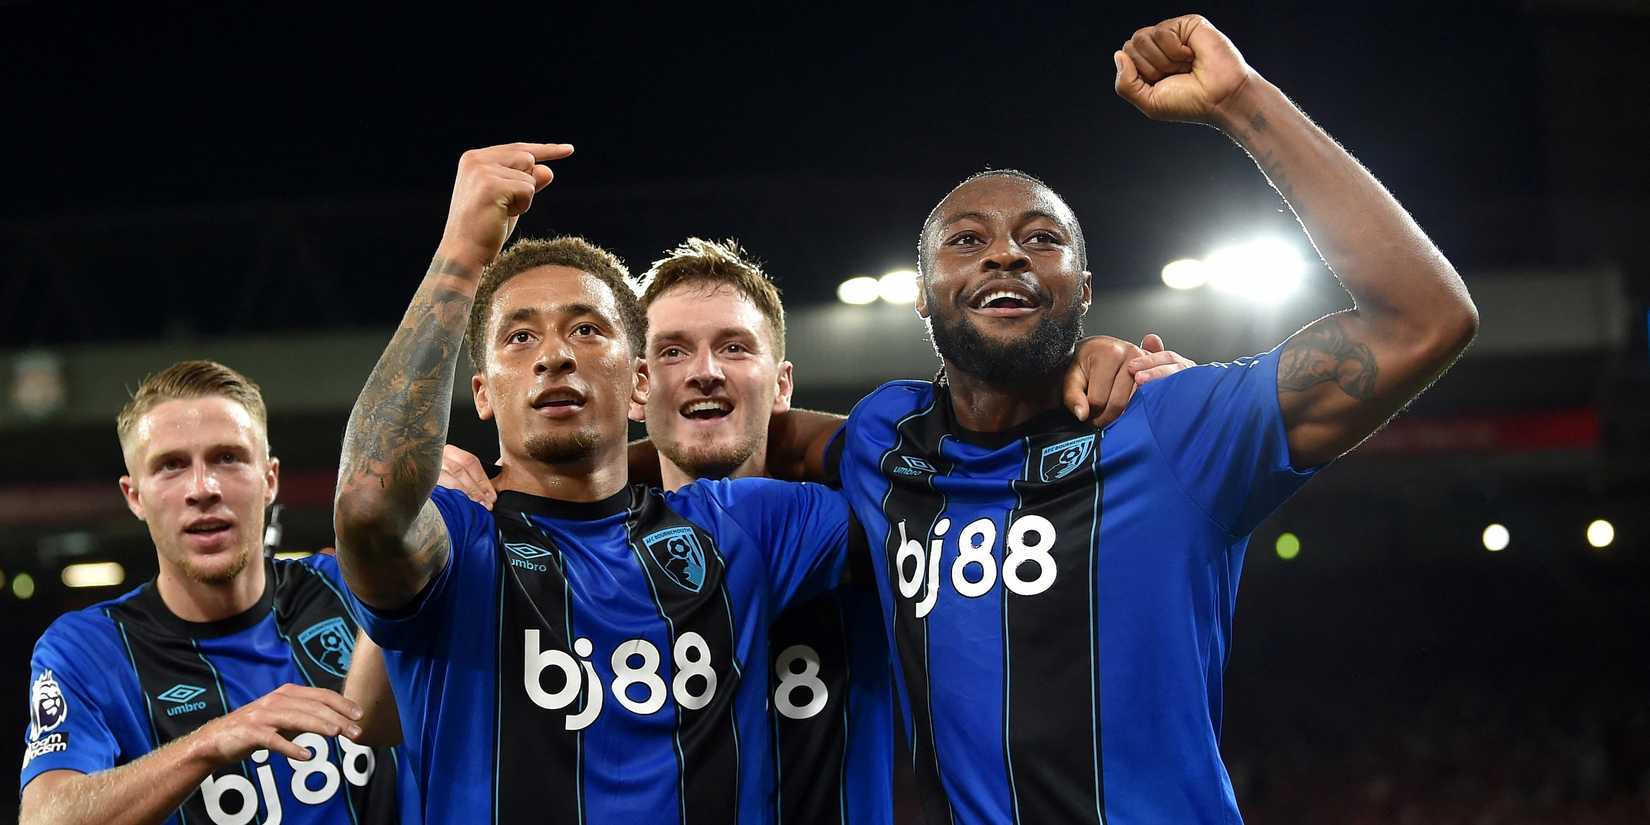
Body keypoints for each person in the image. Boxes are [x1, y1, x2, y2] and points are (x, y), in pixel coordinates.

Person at [756, 15, 1480, 824]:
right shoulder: (884, 437)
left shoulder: (1173, 425)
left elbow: (1425, 319)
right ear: (922, 295)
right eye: (967, 239)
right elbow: (755, 439)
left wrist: (1241, 101)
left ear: (1085, 287)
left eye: (1042, 238)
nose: (1007, 253)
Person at [351, 236, 1195, 825]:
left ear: (781, 381)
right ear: (642, 384)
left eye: (734, 348)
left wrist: (1078, 381)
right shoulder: (491, 533)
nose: (706, 371)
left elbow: (973, 463)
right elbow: (373, 709)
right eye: (675, 350)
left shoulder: (860, 527)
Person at [18, 360, 410, 825]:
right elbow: (46, 817)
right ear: (134, 496)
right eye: (170, 466)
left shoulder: (351, 591)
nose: (202, 488)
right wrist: (214, 739)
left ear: (269, 479)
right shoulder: (87, 649)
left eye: (228, 458)